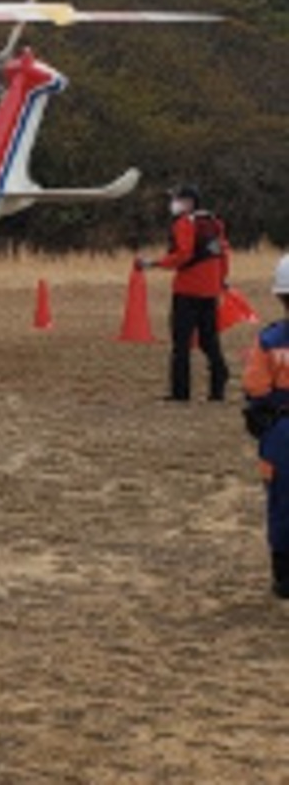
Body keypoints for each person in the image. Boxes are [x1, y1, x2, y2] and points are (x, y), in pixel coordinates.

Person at [137, 184, 230, 402]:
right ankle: (218, 385)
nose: (173, 204)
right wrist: (221, 280)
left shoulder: (184, 223)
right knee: (209, 341)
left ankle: (181, 392)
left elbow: (183, 255)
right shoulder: (214, 222)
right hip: (210, 291)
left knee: (181, 343)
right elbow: (223, 253)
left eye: (177, 199)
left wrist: (154, 263)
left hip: (187, 290)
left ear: (188, 202)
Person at [240, 254, 289, 599]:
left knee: (282, 505)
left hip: (281, 433)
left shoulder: (270, 340)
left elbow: (255, 388)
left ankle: (284, 577)